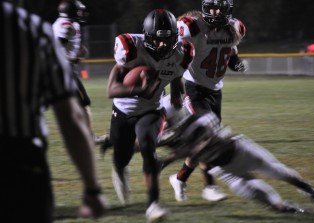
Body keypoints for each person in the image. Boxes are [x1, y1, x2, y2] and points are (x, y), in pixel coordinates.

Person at [0, 1, 107, 222]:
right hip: (21, 159)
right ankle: (91, 135)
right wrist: (92, 188)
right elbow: (69, 117)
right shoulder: (32, 28)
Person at [158, 94, 314, 213]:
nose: (165, 125)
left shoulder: (201, 118)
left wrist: (167, 160)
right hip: (226, 171)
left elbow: (197, 150)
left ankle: (309, 190)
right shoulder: (172, 133)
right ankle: (299, 213)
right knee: (269, 202)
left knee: (279, 172)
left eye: (168, 121)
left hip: (242, 152)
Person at [107, 8, 194, 222]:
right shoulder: (131, 49)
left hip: (152, 110)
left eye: (168, 40)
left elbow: (176, 73)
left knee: (148, 147)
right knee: (122, 155)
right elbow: (111, 89)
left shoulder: (181, 53)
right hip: (123, 110)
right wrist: (139, 90)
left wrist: (175, 90)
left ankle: (153, 204)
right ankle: (119, 169)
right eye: (157, 40)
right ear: (147, 37)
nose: (163, 45)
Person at [169, 0, 248, 202]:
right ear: (205, 7)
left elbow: (231, 53)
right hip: (193, 88)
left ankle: (179, 179)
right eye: (213, 7)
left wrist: (236, 63)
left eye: (221, 8)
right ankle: (209, 187)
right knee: (209, 137)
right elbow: (175, 55)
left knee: (204, 141)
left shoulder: (234, 27)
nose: (216, 12)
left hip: (214, 91)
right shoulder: (193, 27)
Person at [52, 0, 102, 144]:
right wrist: (72, 58)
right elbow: (55, 48)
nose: (81, 14)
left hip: (60, 68)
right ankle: (88, 138)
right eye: (79, 11)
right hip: (63, 68)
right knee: (83, 102)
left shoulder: (61, 22)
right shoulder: (67, 25)